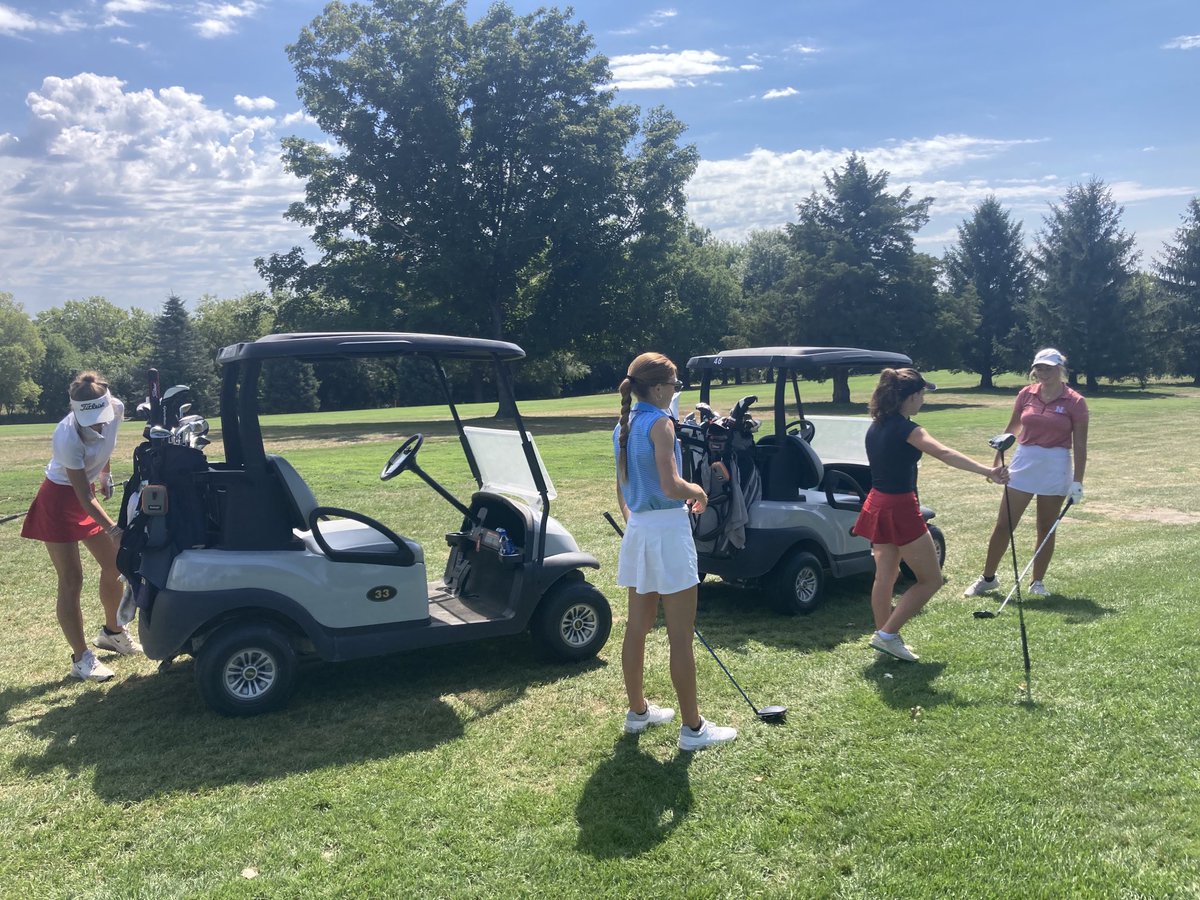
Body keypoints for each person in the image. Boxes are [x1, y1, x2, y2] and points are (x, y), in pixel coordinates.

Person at [614, 353, 737, 751]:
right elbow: (670, 485)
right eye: (676, 384)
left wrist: (635, 519)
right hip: (666, 531)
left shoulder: (625, 423)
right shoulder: (661, 423)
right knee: (681, 637)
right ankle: (693, 729)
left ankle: (638, 712)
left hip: (640, 531)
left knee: (638, 627)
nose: (676, 391)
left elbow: (623, 485)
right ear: (661, 388)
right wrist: (698, 491)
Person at [854, 368, 1008, 662]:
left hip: (877, 502)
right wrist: (989, 471)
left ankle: (885, 636)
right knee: (930, 581)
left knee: (886, 576)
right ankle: (887, 635)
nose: (923, 400)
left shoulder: (877, 425)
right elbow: (945, 453)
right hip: (899, 507)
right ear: (910, 397)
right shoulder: (907, 428)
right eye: (922, 394)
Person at [21, 371, 141, 681]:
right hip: (59, 499)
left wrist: (105, 473)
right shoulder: (66, 435)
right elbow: (83, 497)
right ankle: (80, 658)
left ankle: (113, 633)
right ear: (76, 412)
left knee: (114, 563)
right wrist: (115, 530)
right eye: (92, 422)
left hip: (85, 493)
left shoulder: (115, 408)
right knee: (72, 578)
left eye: (101, 418)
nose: (99, 425)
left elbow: (106, 445)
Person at [964, 348, 1088, 598]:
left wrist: (1078, 482)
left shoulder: (1075, 401)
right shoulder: (1026, 394)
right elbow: (1010, 430)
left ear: (1060, 369)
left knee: (1046, 527)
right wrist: (997, 461)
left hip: (1055, 464)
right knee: (1004, 524)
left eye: (1048, 368)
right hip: (1024, 460)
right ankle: (988, 578)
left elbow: (1081, 445)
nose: (1043, 373)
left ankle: (1037, 582)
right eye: (1039, 368)